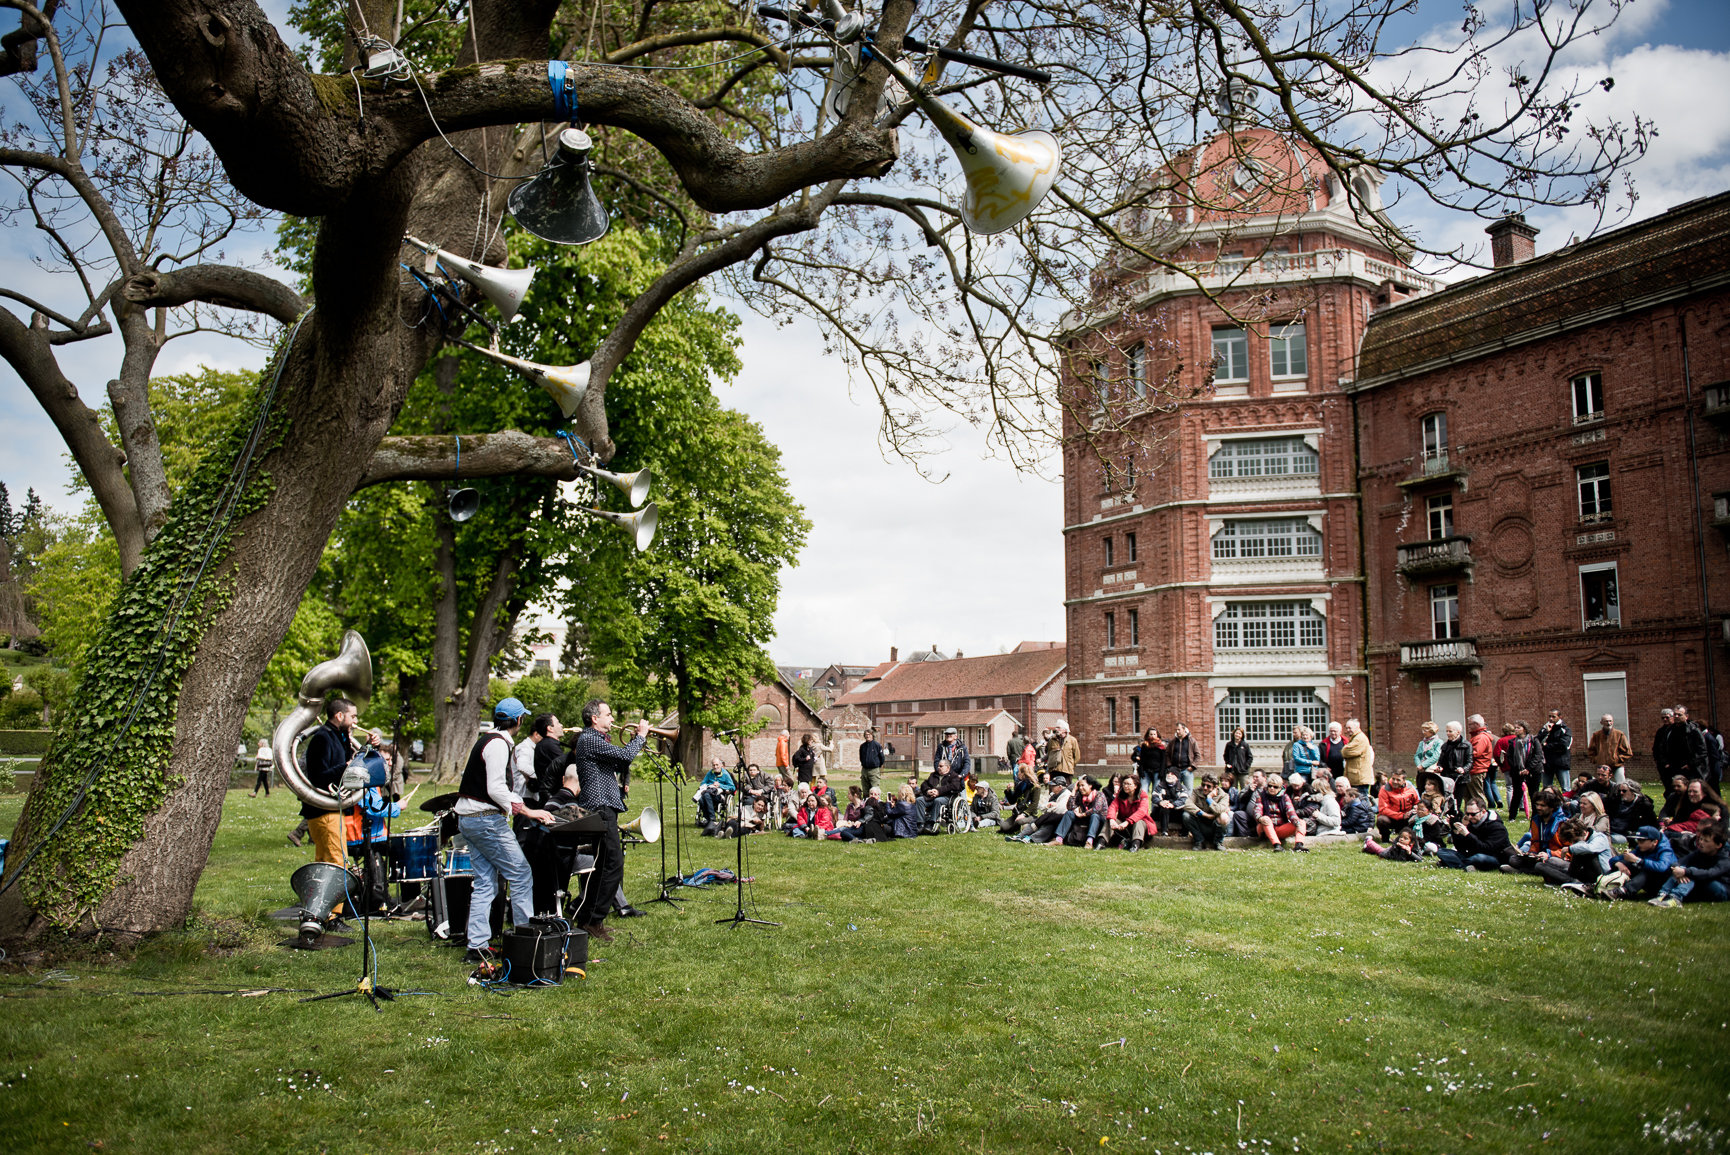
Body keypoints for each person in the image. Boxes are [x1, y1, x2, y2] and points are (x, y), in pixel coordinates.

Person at [455, 698, 555, 962]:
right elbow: (496, 789)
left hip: (470, 819)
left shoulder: (486, 739)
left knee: (486, 883)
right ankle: (525, 939)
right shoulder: (499, 745)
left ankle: (476, 946)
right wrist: (529, 811)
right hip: (486, 820)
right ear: (519, 720)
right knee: (521, 874)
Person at [569, 699, 649, 945]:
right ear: (595, 718)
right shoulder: (590, 739)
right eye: (609, 715)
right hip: (600, 808)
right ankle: (592, 919)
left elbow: (622, 760)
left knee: (605, 865)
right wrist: (642, 736)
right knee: (612, 863)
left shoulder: (596, 741)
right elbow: (626, 754)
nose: (613, 719)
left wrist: (636, 742)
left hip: (604, 807)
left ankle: (589, 918)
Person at [301, 697, 359, 917]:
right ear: (339, 715)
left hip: (331, 810)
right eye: (352, 716)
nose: (355, 721)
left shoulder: (337, 736)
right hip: (324, 811)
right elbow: (318, 776)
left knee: (325, 862)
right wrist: (345, 768)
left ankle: (320, 911)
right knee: (336, 863)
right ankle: (332, 914)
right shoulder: (323, 738)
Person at [1654, 824, 1730, 906]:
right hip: (1701, 883)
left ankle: (1675, 897)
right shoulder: (1699, 852)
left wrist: (1687, 872)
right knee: (1686, 870)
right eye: (1701, 839)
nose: (1701, 842)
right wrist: (1677, 868)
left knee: (1692, 872)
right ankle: (1664, 894)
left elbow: (1710, 873)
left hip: (1720, 889)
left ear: (1718, 845)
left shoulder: (1725, 859)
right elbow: (1680, 862)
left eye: (1706, 841)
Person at [1436, 799, 1513, 871]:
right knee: (1441, 851)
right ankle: (1467, 865)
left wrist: (1468, 834)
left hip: (1493, 857)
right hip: (1471, 854)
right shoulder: (1472, 823)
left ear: (1483, 812)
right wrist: (1455, 831)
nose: (1469, 817)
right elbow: (1461, 848)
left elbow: (1486, 849)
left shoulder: (1497, 827)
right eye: (1467, 814)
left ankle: (1456, 863)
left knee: (1478, 858)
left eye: (1473, 814)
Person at [1505, 788, 1567, 875]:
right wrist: (1532, 853)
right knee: (1514, 859)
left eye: (1542, 805)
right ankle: (1533, 869)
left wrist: (1549, 854)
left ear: (1552, 808)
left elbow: (1568, 850)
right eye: (1537, 805)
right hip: (1539, 856)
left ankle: (1524, 870)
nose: (1538, 808)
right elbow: (1535, 842)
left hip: (1555, 857)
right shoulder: (1536, 820)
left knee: (1551, 862)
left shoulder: (1562, 823)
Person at [1610, 826, 1679, 902]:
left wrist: (1638, 860)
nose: (1639, 843)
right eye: (1638, 840)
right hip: (1650, 883)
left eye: (1642, 840)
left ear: (1655, 842)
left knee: (1649, 870)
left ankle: (1624, 891)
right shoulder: (1641, 848)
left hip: (1663, 886)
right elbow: (1613, 860)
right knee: (1626, 863)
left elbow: (1661, 867)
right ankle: (1606, 885)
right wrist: (1618, 863)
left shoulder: (1665, 850)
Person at [1250, 772, 1305, 851]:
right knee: (1266, 819)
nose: (1272, 788)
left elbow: (1291, 812)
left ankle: (1299, 845)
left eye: (1275, 787)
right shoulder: (1261, 796)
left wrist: (1297, 824)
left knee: (1301, 822)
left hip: (1280, 827)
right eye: (1270, 786)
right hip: (1264, 827)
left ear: (1280, 788)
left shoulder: (1285, 797)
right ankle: (1277, 845)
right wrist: (1260, 818)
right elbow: (1257, 810)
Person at [1183, 774, 1232, 850]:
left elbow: (1218, 810)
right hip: (1200, 822)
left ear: (1215, 787)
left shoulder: (1223, 796)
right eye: (1203, 785)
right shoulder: (1197, 791)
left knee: (1223, 817)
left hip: (1214, 825)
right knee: (1186, 815)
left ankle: (1218, 842)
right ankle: (1199, 841)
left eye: (1208, 786)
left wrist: (1209, 798)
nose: (1205, 788)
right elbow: (1187, 804)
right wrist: (1204, 814)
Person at [916, 755, 964, 832]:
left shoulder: (954, 776)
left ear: (947, 767)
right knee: (919, 800)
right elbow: (924, 784)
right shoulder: (933, 775)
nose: (938, 768)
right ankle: (920, 824)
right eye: (938, 766)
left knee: (938, 801)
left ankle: (931, 823)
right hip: (931, 796)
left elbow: (954, 787)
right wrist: (928, 791)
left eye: (941, 766)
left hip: (946, 797)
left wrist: (939, 791)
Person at [1104, 775, 1150, 851]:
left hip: (1140, 826)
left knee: (1139, 822)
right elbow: (1113, 807)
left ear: (1135, 786)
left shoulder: (1143, 795)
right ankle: (1101, 842)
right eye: (1124, 783)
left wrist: (1127, 822)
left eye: (1128, 784)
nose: (1125, 786)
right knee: (1109, 820)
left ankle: (1135, 845)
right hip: (1123, 825)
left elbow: (1142, 811)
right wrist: (1112, 819)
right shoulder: (1120, 794)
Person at [1586, 713, 1632, 784]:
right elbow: (1591, 751)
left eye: (1610, 721)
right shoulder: (1596, 735)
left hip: (1617, 766)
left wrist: (1617, 759)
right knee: (1601, 784)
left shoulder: (1619, 734)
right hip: (1602, 767)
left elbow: (1628, 752)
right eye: (1606, 721)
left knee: (1621, 784)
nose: (1608, 723)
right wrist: (1597, 759)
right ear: (1601, 722)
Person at [1375, 771, 1419, 842]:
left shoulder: (1410, 788)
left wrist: (1416, 808)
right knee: (1381, 820)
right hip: (1392, 818)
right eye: (1393, 779)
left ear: (1404, 781)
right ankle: (1385, 838)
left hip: (1407, 817)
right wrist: (1401, 815)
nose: (1395, 782)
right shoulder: (1385, 789)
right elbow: (1383, 809)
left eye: (1398, 780)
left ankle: (1411, 839)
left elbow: (1417, 802)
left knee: (1417, 817)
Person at [1463, 715, 1495, 810]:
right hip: (1473, 770)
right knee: (1469, 796)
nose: (1468, 727)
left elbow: (1475, 753)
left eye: (1470, 725)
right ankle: (1470, 815)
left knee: (1477, 795)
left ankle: (1482, 813)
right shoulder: (1477, 737)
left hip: (1476, 770)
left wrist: (1462, 755)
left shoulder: (1481, 738)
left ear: (1476, 724)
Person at [1342, 718, 1375, 802]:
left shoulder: (1359, 738)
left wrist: (1344, 750)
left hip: (1360, 778)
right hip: (1357, 777)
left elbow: (1346, 752)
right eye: (1347, 728)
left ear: (1357, 727)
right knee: (1359, 800)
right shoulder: (1355, 737)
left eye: (1350, 728)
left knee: (1362, 800)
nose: (1348, 730)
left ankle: (1367, 815)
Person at [1433, 721, 1470, 797]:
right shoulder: (1445, 746)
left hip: (1460, 778)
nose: (1448, 733)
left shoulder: (1466, 745)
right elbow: (1441, 761)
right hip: (1447, 778)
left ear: (1458, 732)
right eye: (1447, 731)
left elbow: (1470, 762)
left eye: (1450, 731)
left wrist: (1463, 769)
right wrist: (1439, 767)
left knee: (1457, 800)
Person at [695, 757, 736, 824]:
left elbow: (732, 787)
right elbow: (703, 783)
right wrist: (710, 785)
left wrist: (720, 785)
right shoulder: (710, 773)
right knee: (702, 799)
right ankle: (710, 819)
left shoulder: (725, 774)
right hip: (709, 792)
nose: (715, 767)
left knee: (706, 795)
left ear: (721, 765)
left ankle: (711, 819)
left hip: (720, 795)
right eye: (714, 765)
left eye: (717, 765)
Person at [1539, 710, 1573, 792]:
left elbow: (1563, 746)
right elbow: (1537, 741)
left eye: (1553, 716)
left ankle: (1566, 804)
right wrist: (1546, 732)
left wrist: (1546, 746)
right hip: (1547, 763)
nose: (1551, 718)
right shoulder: (1545, 728)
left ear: (1559, 717)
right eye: (1549, 716)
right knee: (1546, 789)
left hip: (1561, 763)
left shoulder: (1565, 729)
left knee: (1565, 788)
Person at [1149, 769, 1185, 836]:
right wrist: (1160, 802)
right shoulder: (1160, 786)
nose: (1169, 775)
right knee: (1164, 807)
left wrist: (1173, 804)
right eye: (1168, 773)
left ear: (1177, 777)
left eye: (1172, 774)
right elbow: (1154, 797)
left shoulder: (1182, 788)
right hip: (1161, 812)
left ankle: (1184, 833)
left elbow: (1183, 800)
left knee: (1186, 813)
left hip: (1175, 812)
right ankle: (1164, 831)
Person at [1130, 727, 1166, 795]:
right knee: (1143, 792)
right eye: (1151, 734)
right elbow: (1142, 759)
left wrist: (1162, 772)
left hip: (1157, 772)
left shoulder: (1161, 746)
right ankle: (1143, 805)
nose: (1152, 736)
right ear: (1148, 735)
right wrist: (1141, 771)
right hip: (1146, 772)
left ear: (1157, 735)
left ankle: (1154, 806)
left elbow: (1163, 760)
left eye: (1154, 734)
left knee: (1156, 793)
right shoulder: (1145, 746)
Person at [1165, 724, 1196, 792]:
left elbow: (1198, 755)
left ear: (1184, 729)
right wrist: (1169, 766)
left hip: (1187, 770)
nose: (1177, 731)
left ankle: (1188, 803)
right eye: (1176, 730)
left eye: (1179, 730)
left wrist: (1193, 766)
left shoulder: (1191, 741)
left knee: (1188, 790)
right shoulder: (1173, 742)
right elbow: (1166, 754)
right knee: (1174, 790)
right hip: (1175, 770)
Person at [1412, 722, 1441, 792]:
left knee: (1430, 788)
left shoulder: (1438, 742)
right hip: (1421, 769)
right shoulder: (1422, 743)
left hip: (1431, 768)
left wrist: (1424, 765)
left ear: (1432, 731)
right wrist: (1419, 765)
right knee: (1421, 787)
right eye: (1423, 730)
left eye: (1425, 730)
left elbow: (1436, 756)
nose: (1423, 732)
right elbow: (1417, 755)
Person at [858, 729, 885, 795]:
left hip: (874, 770)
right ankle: (865, 803)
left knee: (875, 790)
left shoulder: (877, 745)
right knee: (865, 790)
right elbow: (861, 757)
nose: (867, 736)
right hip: (865, 770)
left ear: (872, 735)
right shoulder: (862, 746)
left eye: (869, 734)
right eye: (866, 735)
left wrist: (877, 765)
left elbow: (882, 758)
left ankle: (876, 803)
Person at [1053, 720, 1082, 784]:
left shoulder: (1072, 740)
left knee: (1067, 789)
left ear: (1064, 730)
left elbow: (1077, 756)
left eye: (1058, 728)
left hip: (1067, 771)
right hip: (1055, 770)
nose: (1056, 729)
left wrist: (1070, 765)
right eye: (1056, 727)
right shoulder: (1052, 740)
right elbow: (1049, 753)